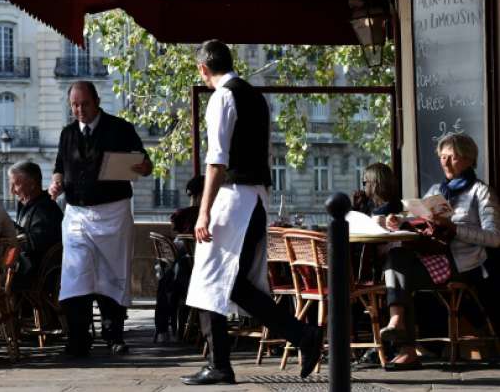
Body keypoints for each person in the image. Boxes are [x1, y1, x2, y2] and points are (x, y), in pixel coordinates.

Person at [183, 40, 321, 385]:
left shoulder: (222, 97)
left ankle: (222, 364)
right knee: (229, 284)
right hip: (255, 198)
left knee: (210, 280)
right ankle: (300, 335)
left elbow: (217, 161)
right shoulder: (255, 96)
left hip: (233, 201)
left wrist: (203, 213)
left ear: (203, 69)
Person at [49, 80, 153, 357]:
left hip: (113, 212)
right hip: (77, 215)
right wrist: (56, 183)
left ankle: (114, 335)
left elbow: (145, 165)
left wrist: (143, 166)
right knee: (75, 276)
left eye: (84, 104)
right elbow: (59, 167)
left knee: (112, 274)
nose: (79, 110)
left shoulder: (121, 128)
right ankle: (78, 339)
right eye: (74, 105)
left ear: (97, 102)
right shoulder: (67, 133)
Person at [379, 133, 500, 370]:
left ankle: (405, 348)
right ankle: (397, 324)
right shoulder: (436, 190)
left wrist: (454, 228)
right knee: (396, 258)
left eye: (451, 158)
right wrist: (400, 222)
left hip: (463, 263)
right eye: (442, 157)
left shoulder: (481, 192)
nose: (444, 163)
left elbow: (495, 238)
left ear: (468, 159)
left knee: (400, 274)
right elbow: (419, 221)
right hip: (432, 256)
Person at [155, 175, 204, 344]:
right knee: (177, 272)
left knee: (169, 278)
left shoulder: (181, 214)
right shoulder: (207, 215)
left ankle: (163, 329)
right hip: (197, 273)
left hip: (183, 269)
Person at [7, 160, 63, 287]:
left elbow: (34, 244)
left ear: (32, 184)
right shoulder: (31, 205)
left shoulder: (45, 209)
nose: (12, 191)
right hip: (30, 271)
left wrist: (6, 224)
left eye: (15, 185)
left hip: (37, 276)